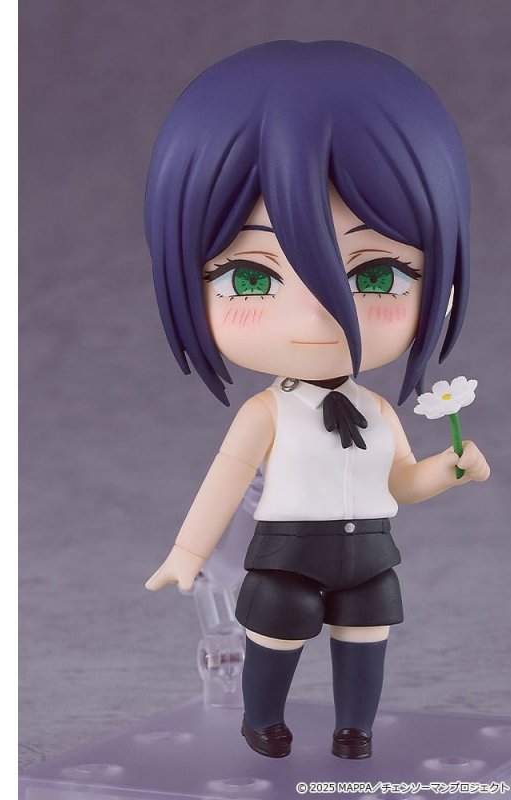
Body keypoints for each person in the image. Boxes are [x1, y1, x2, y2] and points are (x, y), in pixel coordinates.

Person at [143, 40, 490, 759]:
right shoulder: (266, 414)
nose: (315, 316)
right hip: (287, 550)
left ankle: (354, 729)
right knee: (274, 633)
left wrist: (449, 469)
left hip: (369, 548)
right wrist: (187, 552)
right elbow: (225, 483)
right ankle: (260, 719)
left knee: (366, 635)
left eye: (376, 275)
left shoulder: (380, 412)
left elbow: (400, 481)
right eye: (249, 278)